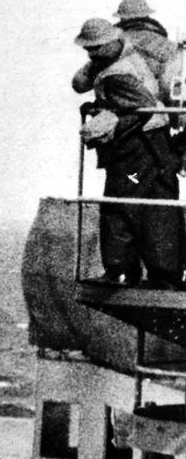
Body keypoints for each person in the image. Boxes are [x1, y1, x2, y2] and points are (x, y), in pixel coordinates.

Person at [73, 18, 184, 289]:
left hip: (135, 151)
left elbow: (142, 107)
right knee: (159, 210)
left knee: (118, 204)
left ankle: (120, 271)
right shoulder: (131, 57)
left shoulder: (116, 74)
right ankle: (165, 276)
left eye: (95, 49)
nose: (92, 54)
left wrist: (108, 119)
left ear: (111, 43)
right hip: (157, 147)